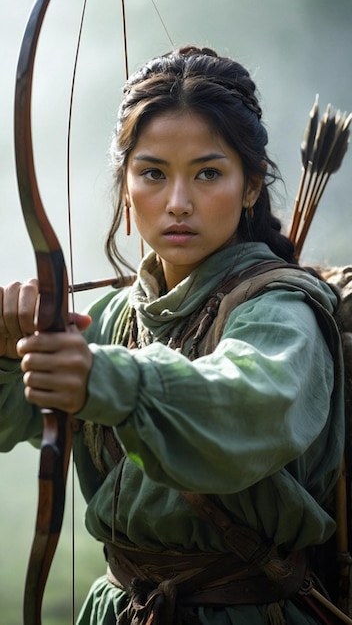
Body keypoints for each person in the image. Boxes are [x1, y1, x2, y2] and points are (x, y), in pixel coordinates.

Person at [0, 45, 346, 625]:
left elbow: (247, 406)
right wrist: (11, 357)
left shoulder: (281, 308)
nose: (178, 203)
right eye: (153, 173)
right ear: (127, 186)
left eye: (208, 173)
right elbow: (17, 415)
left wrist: (107, 380)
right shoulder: (111, 318)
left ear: (251, 186)